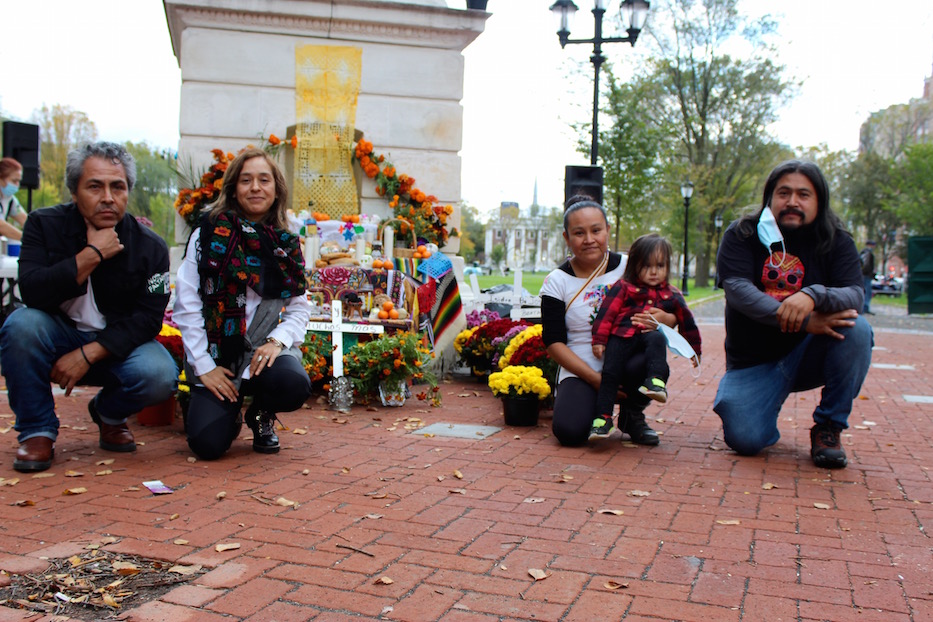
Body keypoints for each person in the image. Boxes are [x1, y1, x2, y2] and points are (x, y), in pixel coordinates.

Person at [0, 142, 177, 472]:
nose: (108, 197)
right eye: (95, 186)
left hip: (115, 346)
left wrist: (88, 354)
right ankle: (36, 431)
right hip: (56, 335)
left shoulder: (149, 246)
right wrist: (92, 254)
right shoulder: (43, 225)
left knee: (159, 374)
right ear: (75, 191)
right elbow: (33, 291)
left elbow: (148, 318)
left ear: (128, 192)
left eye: (118, 186)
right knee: (21, 326)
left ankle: (109, 414)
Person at [713, 160, 873, 469]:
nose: (792, 202)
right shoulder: (743, 233)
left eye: (803, 194)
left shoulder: (837, 239)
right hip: (753, 361)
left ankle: (829, 426)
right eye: (783, 193)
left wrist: (813, 295)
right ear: (770, 198)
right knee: (745, 440)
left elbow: (855, 293)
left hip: (809, 354)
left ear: (818, 201)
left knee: (857, 329)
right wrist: (803, 320)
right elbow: (737, 290)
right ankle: (756, 406)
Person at [174, 148, 311, 460]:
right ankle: (228, 409)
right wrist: (205, 368)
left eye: (264, 180)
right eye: (246, 180)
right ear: (233, 188)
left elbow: (301, 307)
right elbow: (186, 301)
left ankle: (261, 414)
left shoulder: (287, 243)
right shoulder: (207, 233)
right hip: (216, 353)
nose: (255, 187)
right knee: (207, 445)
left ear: (276, 189)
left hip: (262, 352)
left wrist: (278, 341)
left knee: (293, 384)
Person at [540, 195, 677, 447]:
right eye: (579, 233)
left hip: (627, 354)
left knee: (653, 352)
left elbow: (670, 307)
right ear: (566, 238)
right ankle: (594, 407)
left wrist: (664, 318)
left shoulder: (630, 266)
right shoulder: (556, 281)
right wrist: (597, 380)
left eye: (596, 230)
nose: (589, 239)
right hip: (581, 364)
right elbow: (553, 342)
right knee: (569, 432)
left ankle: (631, 414)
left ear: (608, 231)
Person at [590, 233, 701, 439]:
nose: (653, 272)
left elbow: (687, 322)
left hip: (647, 344)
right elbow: (606, 314)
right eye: (646, 266)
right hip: (620, 338)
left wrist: (693, 350)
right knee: (610, 375)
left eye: (659, 266)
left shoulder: (672, 294)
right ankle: (602, 419)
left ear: (668, 266)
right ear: (634, 265)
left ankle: (655, 381)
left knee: (656, 337)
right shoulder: (624, 288)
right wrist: (599, 340)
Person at [0, 157, 28, 240]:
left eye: (19, 181)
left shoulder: (10, 199)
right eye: (14, 181)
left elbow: (26, 221)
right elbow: (1, 226)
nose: (17, 185)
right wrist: (28, 239)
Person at [859, 240, 876, 314]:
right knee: (867, 291)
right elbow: (865, 264)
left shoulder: (865, 252)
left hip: (865, 274)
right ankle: (865, 307)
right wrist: (867, 272)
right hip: (866, 274)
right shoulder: (867, 252)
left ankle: (865, 307)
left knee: (866, 291)